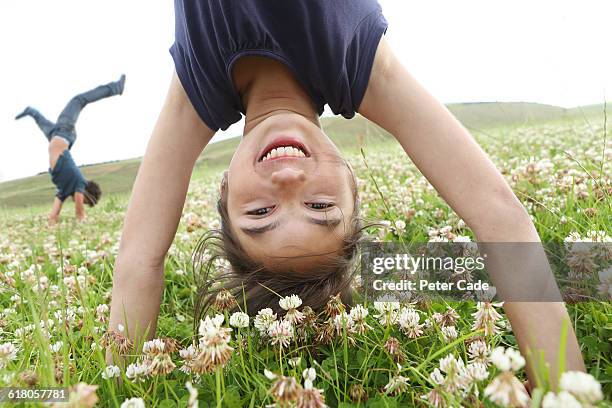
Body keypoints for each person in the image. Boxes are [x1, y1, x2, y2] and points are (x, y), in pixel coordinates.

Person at [108, 0, 585, 385]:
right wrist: (565, 391)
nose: (289, 183)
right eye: (320, 208)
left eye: (260, 212)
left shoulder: (198, 87)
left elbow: (139, 258)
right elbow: (501, 218)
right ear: (354, 184)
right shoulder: (358, 62)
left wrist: (118, 382)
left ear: (225, 188)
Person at [15, 75, 125, 223]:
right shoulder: (79, 182)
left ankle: (31, 111)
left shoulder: (63, 189)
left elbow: (53, 215)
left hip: (57, 136)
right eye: (85, 201)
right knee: (78, 100)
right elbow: (79, 212)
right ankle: (115, 88)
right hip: (64, 132)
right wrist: (81, 218)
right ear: (86, 194)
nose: (78, 201)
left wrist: (52, 222)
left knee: (41, 121)